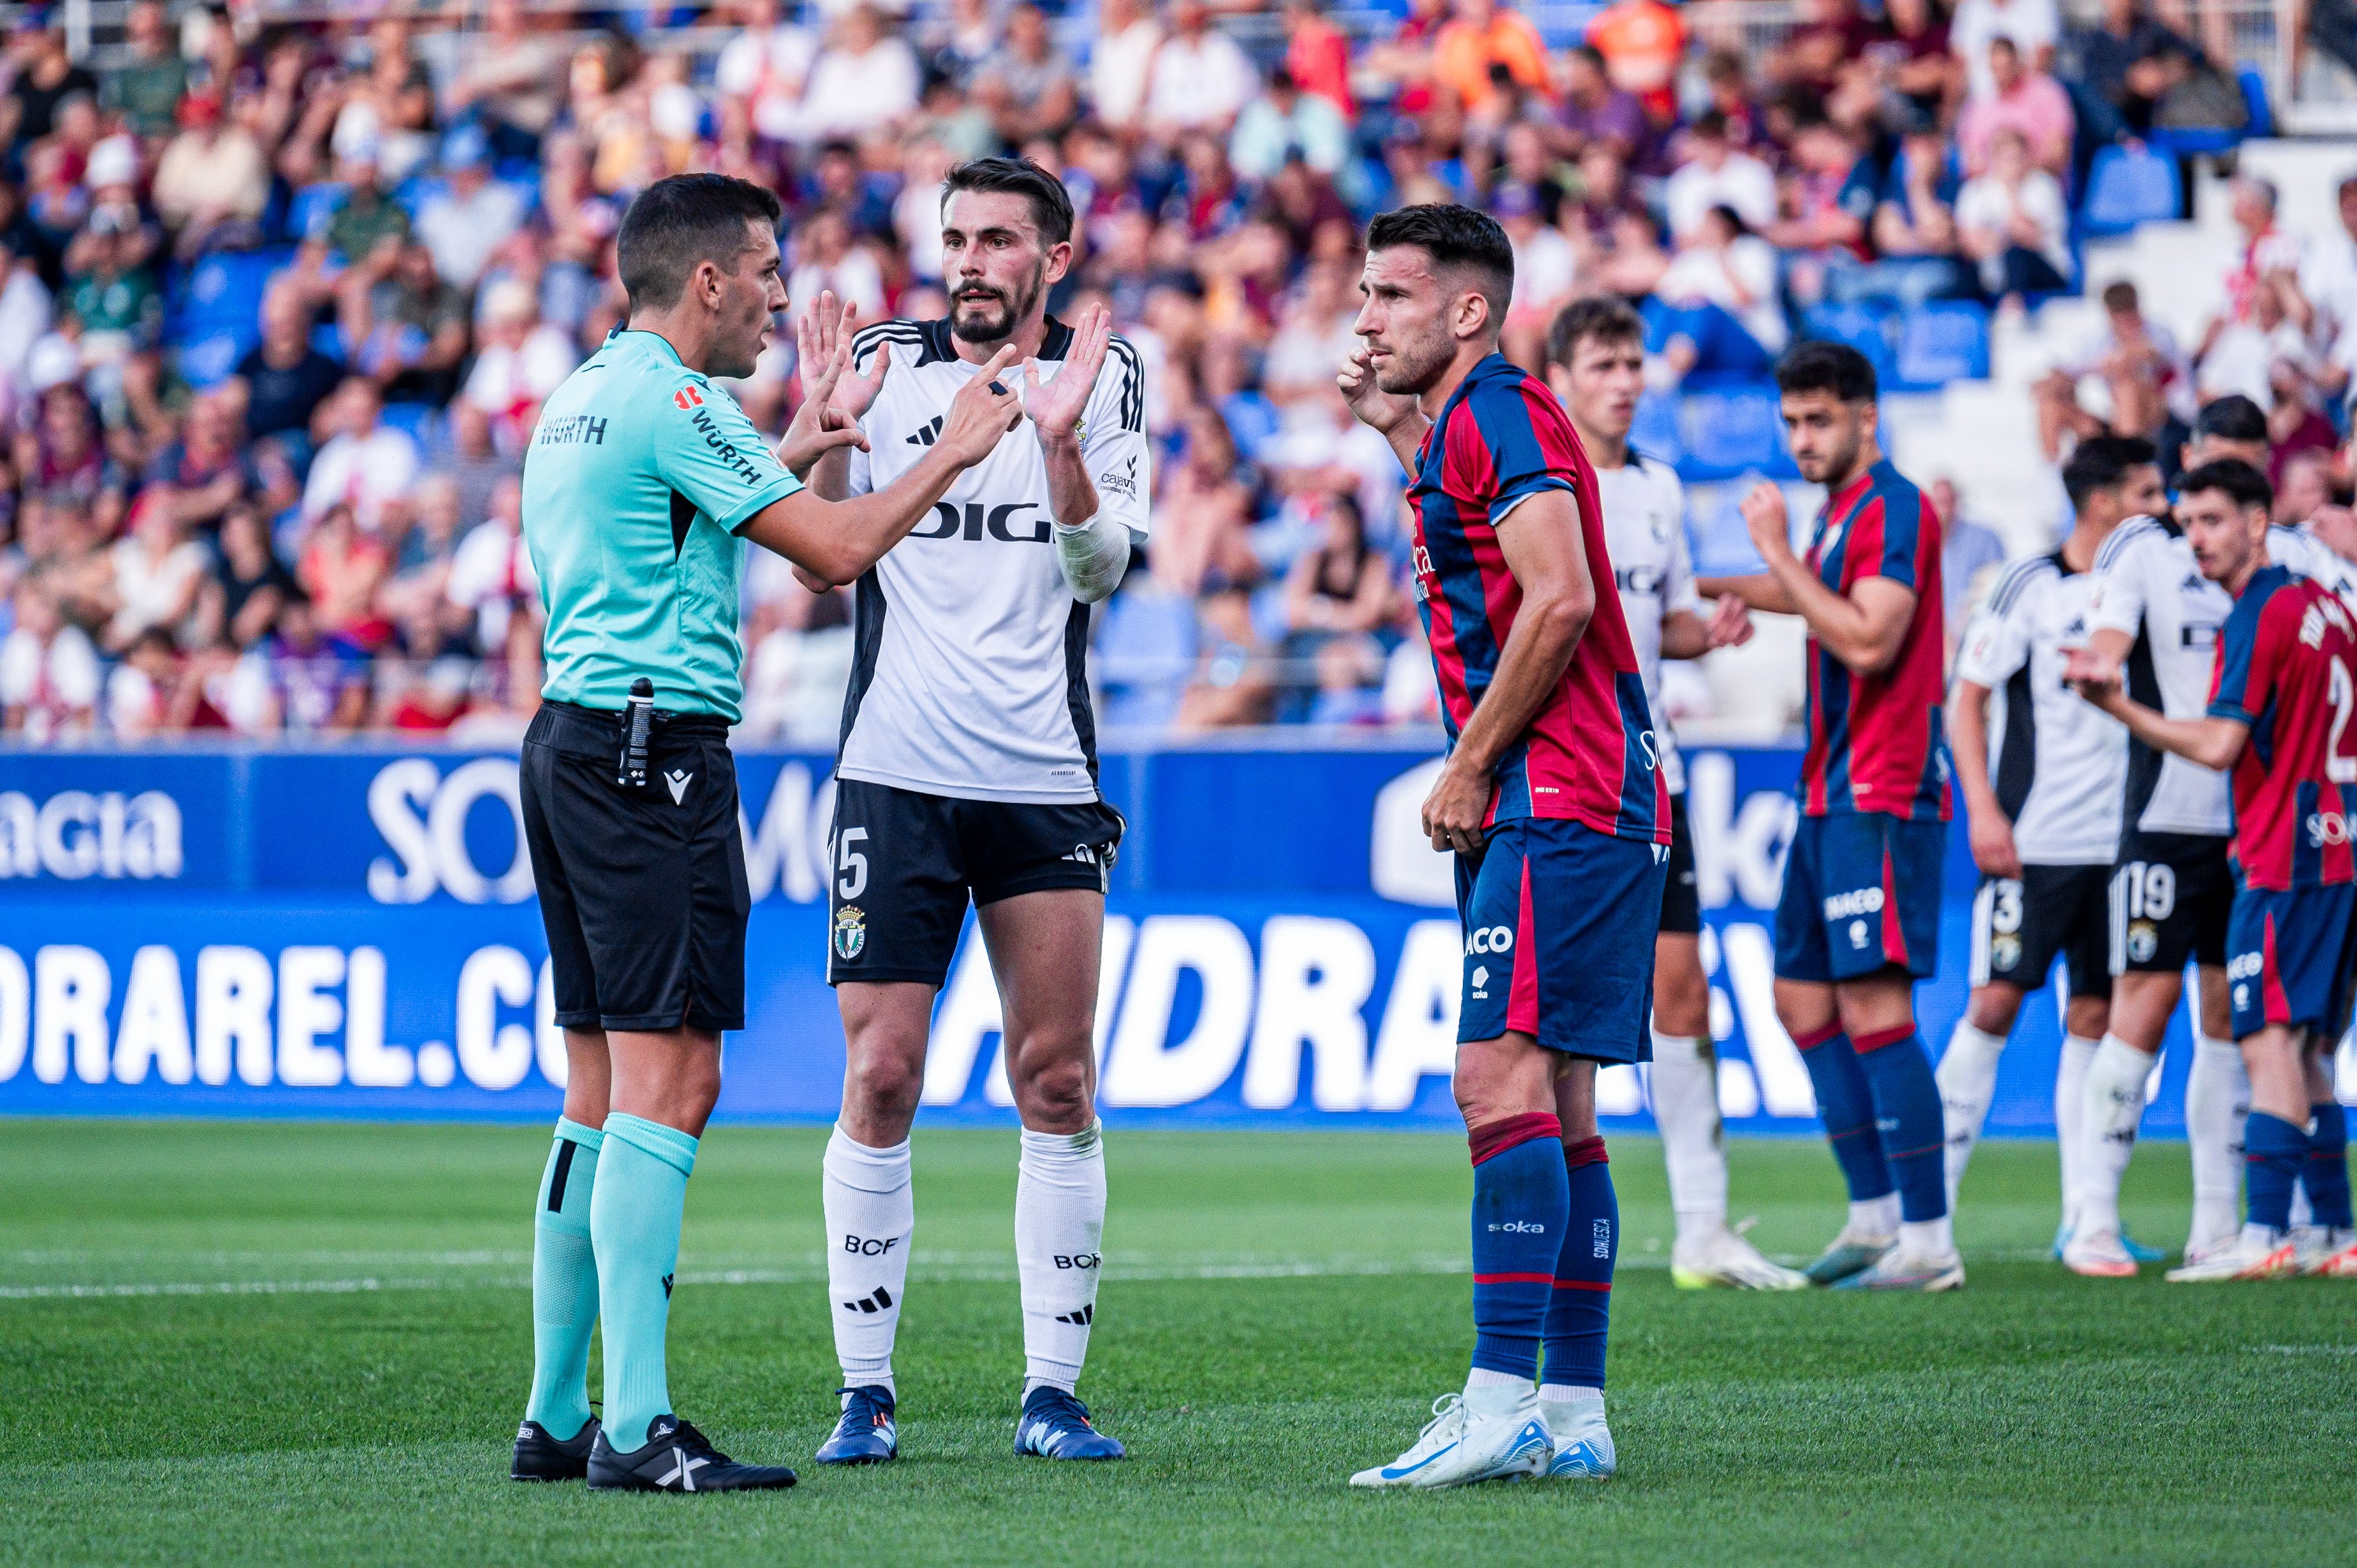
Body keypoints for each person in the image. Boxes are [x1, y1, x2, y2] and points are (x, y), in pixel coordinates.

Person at [508, 171, 1022, 1493]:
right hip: (650, 759)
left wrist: (803, 435)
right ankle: (637, 1428)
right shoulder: (679, 403)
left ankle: (560, 1413)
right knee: (673, 1083)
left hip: (569, 740)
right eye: (771, 272)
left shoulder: (584, 395)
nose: (784, 295)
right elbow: (839, 553)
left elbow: (691, 511)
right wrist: (951, 449)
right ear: (711, 283)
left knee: (595, 1090)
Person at [796, 157, 1148, 1467]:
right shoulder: (885, 366)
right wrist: (826, 441)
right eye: (957, 236)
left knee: (1053, 1076)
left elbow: (1102, 566)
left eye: (1001, 238)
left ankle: (1052, 1393)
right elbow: (822, 555)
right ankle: (865, 1393)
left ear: (1052, 258)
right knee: (881, 1072)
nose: (972, 258)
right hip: (893, 769)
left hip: (1042, 775)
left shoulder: (1106, 376)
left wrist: (1056, 450)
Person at [1340, 204, 1668, 1488]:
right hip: (1589, 785)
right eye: (1365, 296)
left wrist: (1471, 759)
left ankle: (1496, 1401)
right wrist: (1399, 436)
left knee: (1493, 1082)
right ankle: (1574, 1411)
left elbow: (1566, 593)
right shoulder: (1469, 424)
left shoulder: (1500, 414)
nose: (1367, 319)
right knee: (1563, 1100)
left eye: (1393, 297)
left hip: (1556, 786)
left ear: (1468, 311)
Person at [1542, 297, 1805, 1291]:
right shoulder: (1543, 483)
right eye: (1605, 363)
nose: (1625, 380)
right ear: (1561, 377)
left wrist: (1716, 628)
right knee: (1561, 1016)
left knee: (1683, 993)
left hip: (1656, 772)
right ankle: (1555, 1224)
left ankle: (1702, 1229)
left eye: (1633, 363)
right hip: (1566, 776)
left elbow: (1666, 621)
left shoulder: (1657, 488)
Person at [1697, 343, 1959, 1292]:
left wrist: (1768, 555)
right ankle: (1874, 1214)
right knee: (1801, 1000)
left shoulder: (1897, 508)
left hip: (1883, 788)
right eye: (1792, 423)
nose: (1803, 440)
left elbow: (1863, 634)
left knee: (1874, 1004)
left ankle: (1930, 1239)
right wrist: (1688, 585)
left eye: (1818, 421)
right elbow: (1805, 596)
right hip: (1826, 789)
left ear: (1865, 418)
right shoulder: (1840, 516)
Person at [2068, 460, 2357, 1282]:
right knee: (2309, 1053)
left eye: (2213, 521)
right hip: (2339, 846)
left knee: (2266, 1039)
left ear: (2258, 524)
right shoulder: (2329, 607)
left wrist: (2119, 707)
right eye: (2187, 523)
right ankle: (2330, 1230)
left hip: (2282, 855)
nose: (2195, 539)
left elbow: (2221, 744)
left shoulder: (2259, 616)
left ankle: (2262, 1231)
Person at [1937, 437, 2161, 1275]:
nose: (2161, 502)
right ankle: (1931, 1219)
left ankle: (2085, 1220)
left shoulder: (2151, 586)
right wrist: (1984, 810)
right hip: (2036, 841)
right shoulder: (2029, 586)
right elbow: (1968, 703)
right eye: (2146, 488)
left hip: (2127, 841)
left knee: (2096, 1017)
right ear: (2102, 501)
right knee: (1993, 1003)